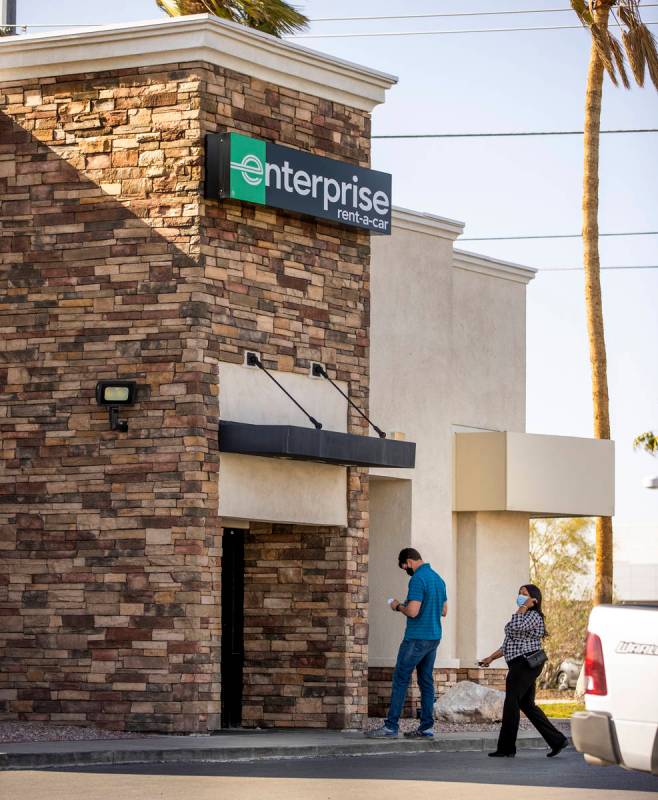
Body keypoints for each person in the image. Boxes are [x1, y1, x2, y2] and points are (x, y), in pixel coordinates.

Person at [479, 583, 569, 758]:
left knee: (511, 703)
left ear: (534, 600)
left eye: (524, 594)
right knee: (527, 704)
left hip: (525, 663)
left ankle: (506, 748)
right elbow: (508, 644)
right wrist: (490, 658)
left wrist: (523, 607)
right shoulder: (522, 615)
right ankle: (557, 740)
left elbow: (517, 626)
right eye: (519, 593)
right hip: (519, 663)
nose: (520, 596)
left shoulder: (533, 616)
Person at [366, 547, 447, 738]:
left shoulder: (418, 579)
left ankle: (390, 726)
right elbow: (444, 611)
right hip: (434, 637)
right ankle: (426, 727)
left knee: (401, 678)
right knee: (426, 681)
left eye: (404, 567)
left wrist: (397, 606)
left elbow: (412, 611)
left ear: (409, 562)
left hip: (416, 638)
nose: (406, 570)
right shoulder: (438, 579)